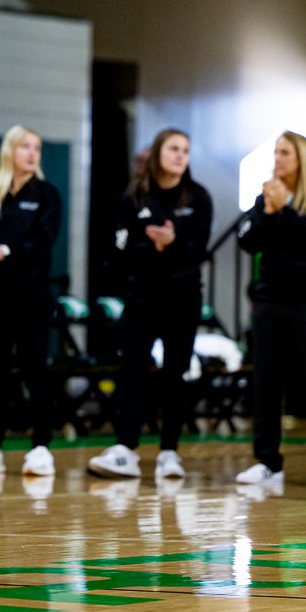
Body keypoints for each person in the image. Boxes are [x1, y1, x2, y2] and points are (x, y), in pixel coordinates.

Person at [88, 128, 212, 480]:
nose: (180, 155)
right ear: (158, 153)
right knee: (133, 371)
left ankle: (169, 452)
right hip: (142, 296)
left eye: (185, 150)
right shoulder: (135, 196)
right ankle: (126, 448)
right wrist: (154, 247)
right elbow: (120, 247)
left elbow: (199, 249)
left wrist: (172, 242)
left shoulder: (198, 197)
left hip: (183, 297)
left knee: (176, 373)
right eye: (173, 148)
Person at [235, 131, 306, 488]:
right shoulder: (265, 196)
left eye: (285, 153)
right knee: (266, 381)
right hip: (271, 301)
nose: (278, 159)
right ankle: (267, 461)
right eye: (276, 153)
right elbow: (248, 240)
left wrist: (286, 210)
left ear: (302, 159)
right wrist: (268, 211)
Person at [0, 125, 62, 477]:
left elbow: (43, 241)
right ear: (10, 152)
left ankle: (41, 447)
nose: (32, 154)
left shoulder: (47, 194)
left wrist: (5, 250)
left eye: (37, 147)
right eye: (25, 147)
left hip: (33, 297)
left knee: (36, 369)